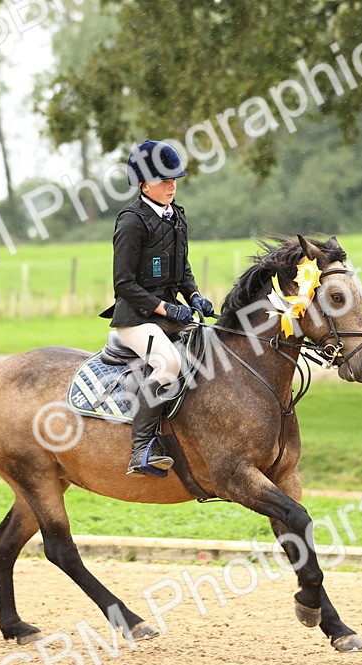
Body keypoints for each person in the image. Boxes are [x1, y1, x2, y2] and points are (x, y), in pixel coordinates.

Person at [99, 140, 216, 477]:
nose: (171, 186)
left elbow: (183, 271)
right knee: (168, 364)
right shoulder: (132, 222)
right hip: (135, 318)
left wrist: (194, 297)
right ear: (143, 184)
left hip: (168, 315)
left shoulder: (177, 216)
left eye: (174, 179)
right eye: (164, 180)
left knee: (212, 346)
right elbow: (123, 284)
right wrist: (166, 308)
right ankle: (142, 449)